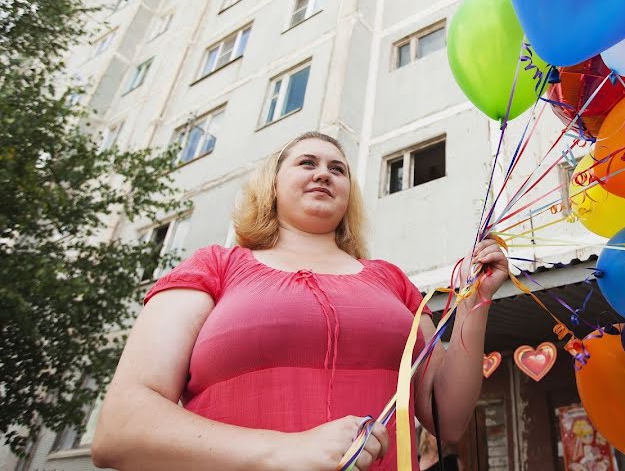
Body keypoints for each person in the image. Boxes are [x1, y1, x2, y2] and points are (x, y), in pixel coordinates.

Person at [91, 131, 508, 471]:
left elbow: (446, 419)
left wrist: (476, 303)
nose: (323, 174)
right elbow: (121, 427)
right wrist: (288, 450)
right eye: (307, 163)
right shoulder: (214, 267)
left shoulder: (394, 282)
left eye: (337, 169)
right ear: (272, 183)